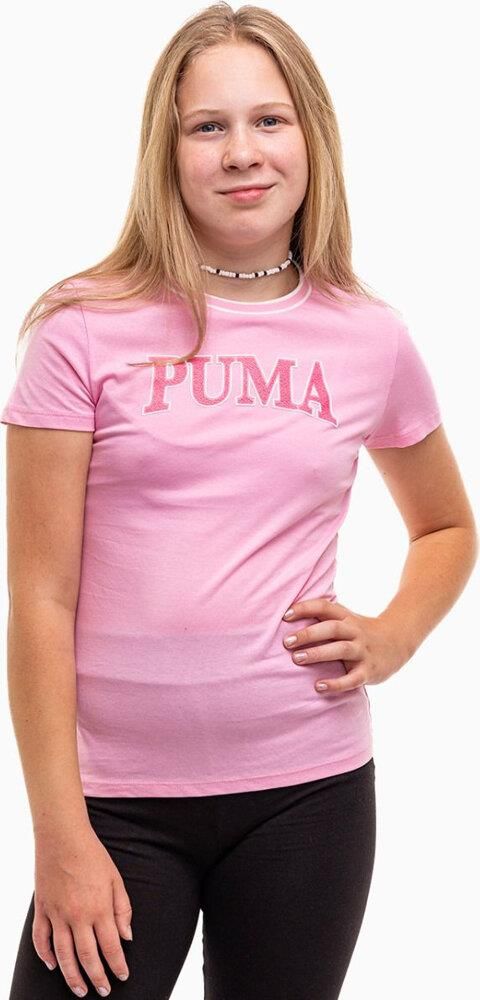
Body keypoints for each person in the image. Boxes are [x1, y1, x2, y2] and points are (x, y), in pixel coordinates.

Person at [2, 4, 477, 999]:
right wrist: (58, 833)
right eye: (207, 126)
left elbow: (445, 525)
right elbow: (39, 597)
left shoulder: (369, 336)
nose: (242, 153)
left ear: (312, 137)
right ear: (166, 151)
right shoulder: (81, 328)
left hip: (309, 795)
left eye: (269, 120)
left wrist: (392, 636)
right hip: (114, 804)